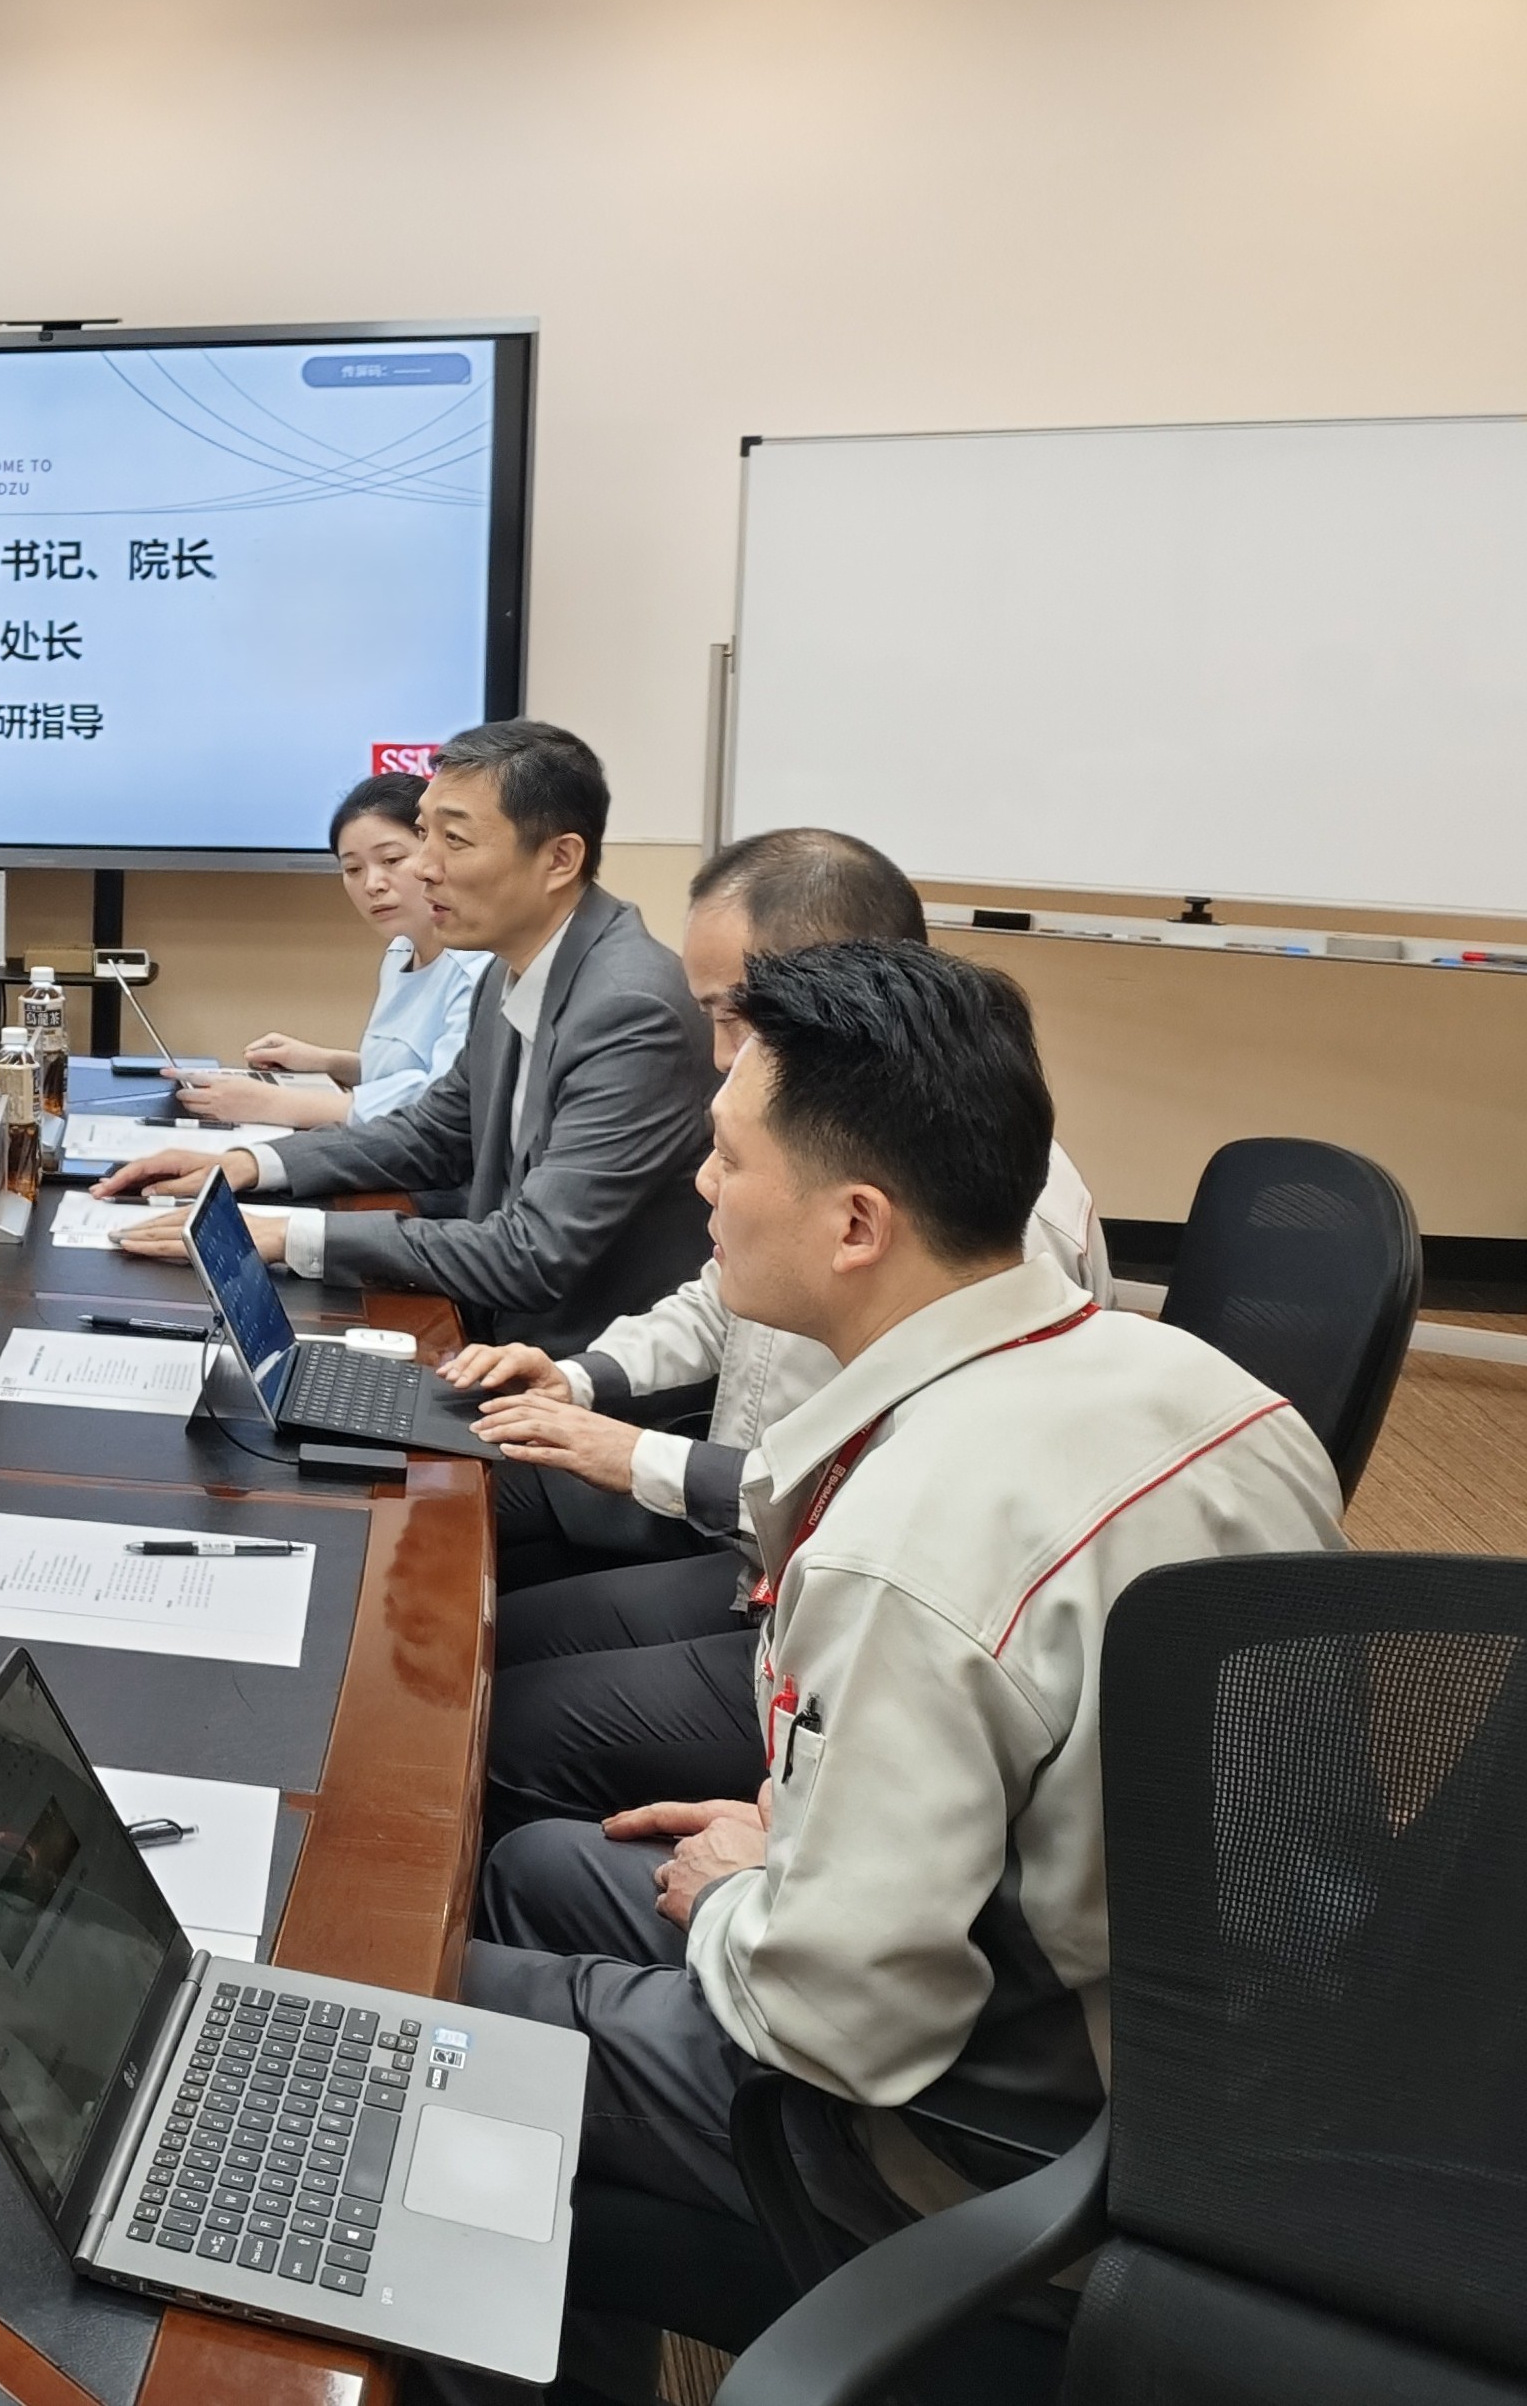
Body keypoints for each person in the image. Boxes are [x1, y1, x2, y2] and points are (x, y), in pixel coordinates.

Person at [447, 941, 1340, 2398]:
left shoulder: (901, 1547)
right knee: (535, 1868)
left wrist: (741, 1891)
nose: (701, 1188)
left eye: (729, 1158)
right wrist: (795, 1852)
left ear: (856, 1223)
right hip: (1218, 2055)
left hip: (995, 2147)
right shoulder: (1210, 1391)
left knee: (418, 2022)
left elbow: (842, 2025)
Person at [455, 828, 1107, 1610]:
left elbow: (897, 1503)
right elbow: (717, 1303)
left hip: (849, 1605)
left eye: (736, 1015)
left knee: (505, 1651)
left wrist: (637, 1457)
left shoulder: (993, 1210)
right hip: (763, 1549)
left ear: (843, 988)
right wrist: (578, 1378)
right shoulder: (809, 1133)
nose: (721, 1054)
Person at [94, 719, 714, 1355]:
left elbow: (533, 1252)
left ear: (559, 859)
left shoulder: (631, 1010)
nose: (422, 866)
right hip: (495, 1334)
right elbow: (435, 1133)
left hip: (573, 1368)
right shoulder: (511, 966)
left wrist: (286, 1236)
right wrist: (248, 1165)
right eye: (424, 834)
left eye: (454, 840)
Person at [168, 770, 489, 1131]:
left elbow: (442, 1100)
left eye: (391, 860)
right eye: (352, 868)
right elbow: (401, 1073)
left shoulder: (478, 967)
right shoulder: (400, 951)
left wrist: (274, 1103)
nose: (372, 884)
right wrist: (328, 1062)